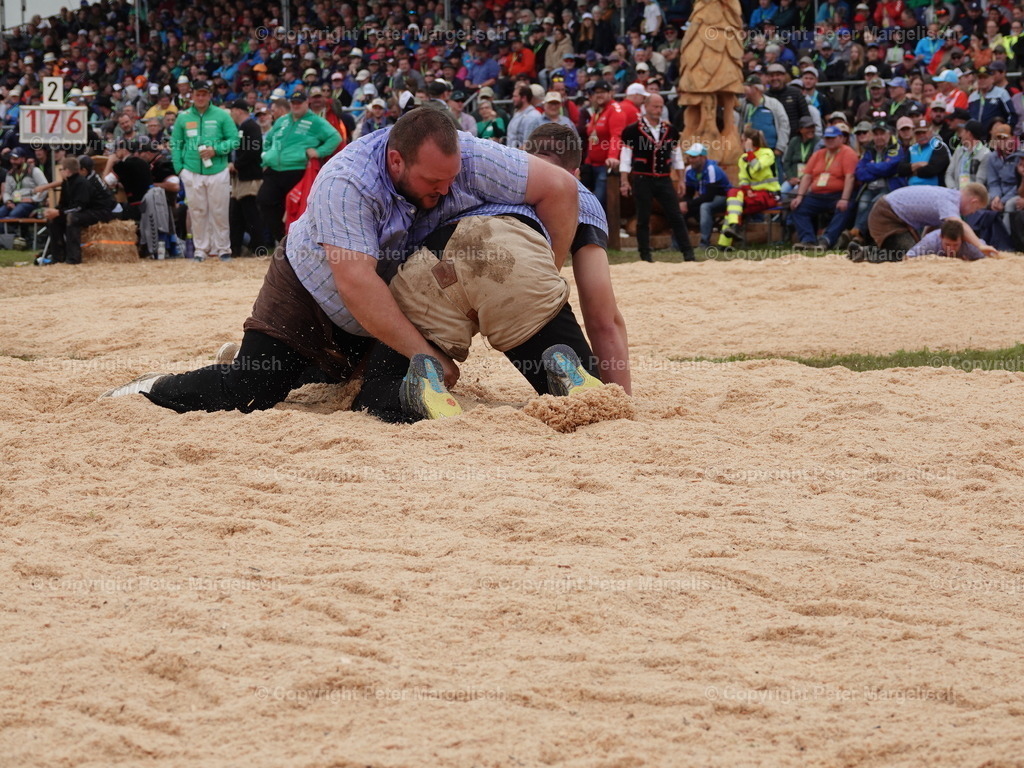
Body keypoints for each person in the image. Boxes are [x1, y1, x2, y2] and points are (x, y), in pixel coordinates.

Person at [100, 108, 580, 423]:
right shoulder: (346, 181)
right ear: (395, 162)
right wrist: (426, 355)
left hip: (388, 304)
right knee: (252, 389)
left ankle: (328, 368)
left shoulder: (467, 156)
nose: (445, 190)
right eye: (433, 181)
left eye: (451, 179)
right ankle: (151, 389)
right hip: (309, 293)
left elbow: (559, 188)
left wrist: (545, 275)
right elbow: (354, 285)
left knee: (379, 395)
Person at [258, 91, 342, 245]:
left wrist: (319, 152)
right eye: (293, 102)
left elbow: (335, 137)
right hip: (274, 169)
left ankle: (298, 243)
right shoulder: (282, 121)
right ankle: (283, 239)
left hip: (298, 169)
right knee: (265, 200)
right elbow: (269, 139)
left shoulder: (316, 121)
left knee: (298, 208)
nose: (296, 105)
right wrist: (266, 155)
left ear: (306, 103)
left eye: (299, 102)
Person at [619, 93, 695, 263]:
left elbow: (677, 157)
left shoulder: (670, 130)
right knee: (643, 217)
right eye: (655, 106)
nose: (658, 110)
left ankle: (688, 253)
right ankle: (645, 255)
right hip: (642, 178)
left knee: (675, 215)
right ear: (645, 106)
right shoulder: (632, 130)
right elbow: (625, 157)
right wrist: (624, 181)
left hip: (664, 178)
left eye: (661, 107)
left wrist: (681, 179)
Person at [170, 80, 239, 262]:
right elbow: (176, 144)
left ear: (210, 96)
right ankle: (201, 249)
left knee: (220, 211)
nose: (200, 98)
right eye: (197, 94)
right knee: (197, 211)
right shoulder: (183, 117)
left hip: (217, 170)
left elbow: (234, 140)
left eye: (204, 94)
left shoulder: (221, 115)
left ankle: (223, 249)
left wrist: (216, 150)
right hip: (192, 171)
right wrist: (180, 169)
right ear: (192, 96)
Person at [849, 182, 995, 262]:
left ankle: (865, 251)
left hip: (893, 213)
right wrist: (980, 246)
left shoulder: (949, 196)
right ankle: (865, 252)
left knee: (916, 252)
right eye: (976, 209)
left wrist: (923, 242)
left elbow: (931, 230)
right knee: (907, 255)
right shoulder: (950, 201)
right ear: (973, 201)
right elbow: (960, 226)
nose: (973, 213)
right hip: (887, 214)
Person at [790, 125, 859, 250]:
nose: (829, 140)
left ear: (841, 138)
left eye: (833, 138)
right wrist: (799, 196)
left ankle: (826, 240)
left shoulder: (848, 153)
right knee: (798, 207)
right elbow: (807, 176)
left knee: (844, 208)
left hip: (837, 194)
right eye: (827, 138)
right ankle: (808, 240)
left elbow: (850, 177)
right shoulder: (818, 154)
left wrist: (844, 199)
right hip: (817, 194)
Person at [40, 156, 116, 265]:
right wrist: (53, 212)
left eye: (61, 169)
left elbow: (80, 206)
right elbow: (63, 204)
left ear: (67, 171)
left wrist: (59, 212)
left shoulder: (83, 183)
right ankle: (58, 257)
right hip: (85, 210)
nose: (60, 172)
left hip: (99, 211)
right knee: (54, 220)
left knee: (73, 217)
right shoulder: (67, 183)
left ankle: (73, 258)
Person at [718, 127, 781, 250]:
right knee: (733, 194)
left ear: (749, 141)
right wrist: (748, 190)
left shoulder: (767, 153)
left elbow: (756, 167)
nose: (740, 143)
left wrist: (749, 151)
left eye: (742, 141)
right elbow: (743, 178)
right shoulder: (743, 158)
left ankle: (725, 243)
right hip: (752, 193)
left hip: (768, 194)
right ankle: (734, 227)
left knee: (733, 209)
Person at [228, 100, 269, 258]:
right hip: (241, 177)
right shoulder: (245, 127)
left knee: (251, 215)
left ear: (238, 110)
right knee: (236, 215)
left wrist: (237, 164)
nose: (231, 114)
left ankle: (260, 249)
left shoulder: (250, 126)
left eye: (232, 111)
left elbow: (253, 151)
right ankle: (235, 249)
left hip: (249, 177)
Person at [584, 81, 628, 207]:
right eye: (596, 92)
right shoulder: (599, 111)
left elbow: (616, 135)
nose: (599, 95)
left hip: (605, 166)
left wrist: (613, 156)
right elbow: (593, 137)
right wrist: (588, 160)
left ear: (611, 93)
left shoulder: (614, 110)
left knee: (596, 204)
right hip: (592, 164)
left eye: (602, 92)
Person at [681, 143, 730, 250]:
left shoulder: (712, 168)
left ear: (703, 157)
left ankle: (704, 242)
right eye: (690, 157)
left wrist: (688, 203)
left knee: (705, 206)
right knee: (680, 209)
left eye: (694, 157)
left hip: (723, 198)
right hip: (705, 197)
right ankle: (678, 244)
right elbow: (689, 193)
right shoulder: (689, 170)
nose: (691, 160)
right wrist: (684, 204)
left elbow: (710, 196)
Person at [0, 147, 47, 231]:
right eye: (11, 159)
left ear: (23, 159)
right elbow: (6, 192)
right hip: (14, 201)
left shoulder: (34, 171)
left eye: (15, 159)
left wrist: (33, 199)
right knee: (1, 213)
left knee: (13, 215)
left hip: (29, 202)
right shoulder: (10, 173)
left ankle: (11, 239)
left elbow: (45, 187)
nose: (13, 161)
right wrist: (8, 201)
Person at [897, 118, 951, 186]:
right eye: (918, 133)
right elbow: (901, 169)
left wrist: (911, 171)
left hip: (934, 189)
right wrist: (919, 164)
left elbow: (932, 170)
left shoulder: (938, 146)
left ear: (931, 132)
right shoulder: (912, 148)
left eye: (924, 132)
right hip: (912, 189)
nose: (921, 135)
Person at [905, 218, 986, 260]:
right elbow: (908, 257)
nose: (951, 249)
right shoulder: (930, 241)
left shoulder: (971, 244)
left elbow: (988, 259)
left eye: (955, 245)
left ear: (962, 239)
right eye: (947, 244)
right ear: (941, 237)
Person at [505, 85, 544, 149]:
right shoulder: (518, 113)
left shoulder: (532, 116)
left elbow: (529, 144)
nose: (513, 99)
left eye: (515, 96)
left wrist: (513, 153)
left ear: (523, 98)